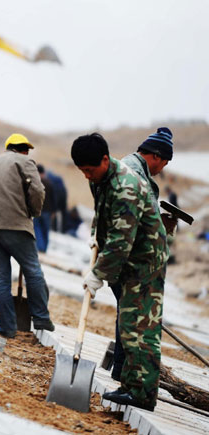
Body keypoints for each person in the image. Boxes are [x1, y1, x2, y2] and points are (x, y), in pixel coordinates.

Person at [71, 132, 168, 412]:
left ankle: (143, 393)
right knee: (127, 326)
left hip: (145, 259)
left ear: (105, 159)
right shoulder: (100, 179)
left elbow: (121, 240)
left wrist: (97, 274)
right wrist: (94, 235)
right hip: (128, 256)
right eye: (82, 172)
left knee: (141, 326)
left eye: (90, 170)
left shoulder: (126, 185)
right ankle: (129, 386)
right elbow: (102, 215)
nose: (87, 177)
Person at [107, 127, 176, 382]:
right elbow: (128, 218)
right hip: (127, 256)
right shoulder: (133, 172)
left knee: (128, 311)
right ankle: (124, 371)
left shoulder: (134, 169)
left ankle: (121, 369)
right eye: (165, 161)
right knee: (132, 312)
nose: (164, 167)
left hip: (124, 253)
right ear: (156, 156)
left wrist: (160, 223)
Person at [0, 133, 55, 339]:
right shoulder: (25, 161)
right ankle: (40, 316)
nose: (27, 152)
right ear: (23, 149)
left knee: (0, 279)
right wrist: (34, 212)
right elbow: (37, 191)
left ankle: (7, 328)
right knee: (32, 270)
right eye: (26, 149)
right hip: (16, 227)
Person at [33, 164, 54, 252]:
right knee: (46, 230)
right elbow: (54, 198)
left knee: (37, 229)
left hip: (38, 210)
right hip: (47, 212)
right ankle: (44, 248)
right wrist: (53, 211)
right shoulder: (49, 183)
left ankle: (40, 247)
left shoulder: (35, 183)